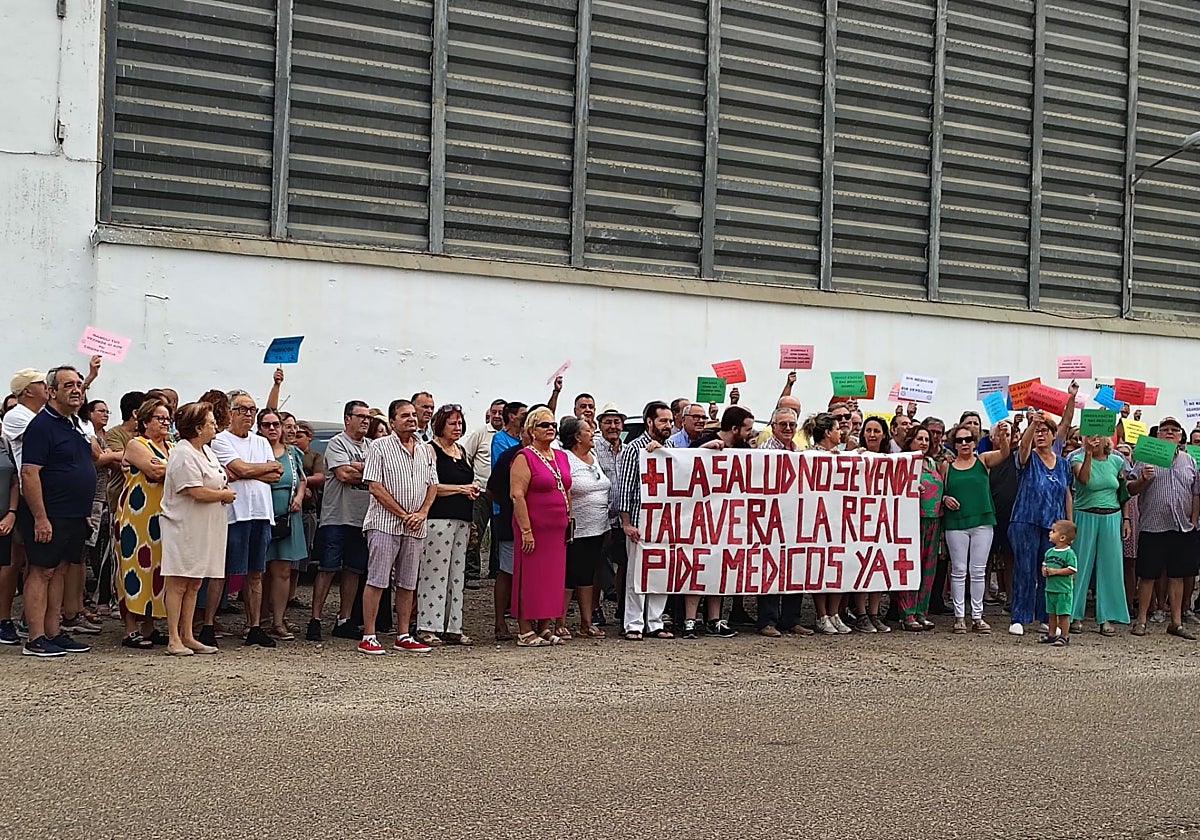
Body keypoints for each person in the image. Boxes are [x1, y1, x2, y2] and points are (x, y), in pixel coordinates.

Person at [18, 365, 95, 657]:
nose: (77, 390)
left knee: (61, 570)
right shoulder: (41, 426)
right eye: (68, 386)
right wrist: (40, 517)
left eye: (79, 384)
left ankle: (53, 631)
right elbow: (29, 473)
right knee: (42, 571)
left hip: (73, 513)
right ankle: (35, 637)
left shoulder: (73, 422)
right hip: (50, 513)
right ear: (51, 392)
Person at [359, 399, 437, 655]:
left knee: (408, 582)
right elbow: (374, 485)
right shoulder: (379, 447)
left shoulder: (426, 450)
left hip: (415, 526)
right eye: (405, 415)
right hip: (384, 524)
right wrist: (404, 514)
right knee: (378, 579)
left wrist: (422, 513)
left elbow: (432, 485)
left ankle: (403, 633)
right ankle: (369, 635)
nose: (412, 419)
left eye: (414, 415)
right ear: (392, 421)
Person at [208, 389, 282, 648]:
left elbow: (276, 474)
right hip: (234, 514)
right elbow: (238, 469)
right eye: (242, 409)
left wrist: (249, 471)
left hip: (261, 512)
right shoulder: (220, 440)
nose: (248, 414)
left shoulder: (261, 442)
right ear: (230, 412)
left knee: (256, 572)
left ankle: (253, 626)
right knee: (222, 571)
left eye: (252, 409)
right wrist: (254, 470)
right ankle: (207, 623)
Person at [160, 402, 231, 655]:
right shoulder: (183, 453)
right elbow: (194, 490)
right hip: (184, 526)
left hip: (205, 526)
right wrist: (224, 495)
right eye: (211, 423)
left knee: (194, 583)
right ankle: (173, 638)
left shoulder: (206, 452)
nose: (215, 427)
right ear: (198, 428)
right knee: (178, 582)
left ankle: (188, 634)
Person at [1128, 416, 1199, 640]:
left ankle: (1176, 623)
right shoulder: (1144, 458)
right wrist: (1143, 479)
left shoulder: (1189, 460)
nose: (1169, 432)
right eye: (1164, 429)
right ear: (1157, 434)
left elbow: (1196, 491)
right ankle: (1141, 621)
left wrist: (1194, 519)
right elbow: (1130, 489)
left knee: (1178, 575)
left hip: (1182, 527)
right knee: (1148, 575)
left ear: (1180, 436)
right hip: (1153, 526)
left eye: (1174, 430)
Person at [1008, 405, 1075, 636]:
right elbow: (1023, 446)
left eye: (1045, 430)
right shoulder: (1027, 457)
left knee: (1049, 570)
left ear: (1053, 435)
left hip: (1053, 526)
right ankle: (1019, 617)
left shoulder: (1064, 463)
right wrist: (1031, 424)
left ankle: (1047, 618)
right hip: (1025, 520)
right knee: (1025, 570)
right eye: (1038, 430)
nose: (1040, 434)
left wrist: (1069, 524)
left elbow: (1067, 494)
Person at [308, 400, 372, 641]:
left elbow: (382, 473)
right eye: (360, 416)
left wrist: (360, 467)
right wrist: (369, 470)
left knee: (353, 570)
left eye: (368, 417)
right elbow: (344, 474)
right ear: (348, 418)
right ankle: (315, 618)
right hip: (337, 516)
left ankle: (344, 619)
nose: (365, 420)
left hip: (362, 517)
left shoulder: (372, 447)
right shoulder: (337, 443)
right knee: (327, 567)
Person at [115, 397, 175, 649]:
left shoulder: (171, 447)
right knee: (134, 569)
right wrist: (176, 468)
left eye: (167, 418)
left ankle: (149, 626)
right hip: (135, 517)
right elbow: (155, 472)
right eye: (159, 418)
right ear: (145, 421)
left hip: (161, 518)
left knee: (157, 570)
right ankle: (130, 629)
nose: (165, 423)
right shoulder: (136, 444)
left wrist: (170, 466)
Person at [416, 404, 478, 646]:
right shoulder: (430, 450)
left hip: (462, 518)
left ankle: (453, 625)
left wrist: (471, 488)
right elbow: (430, 485)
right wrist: (460, 489)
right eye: (452, 422)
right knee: (434, 572)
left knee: (456, 574)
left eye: (460, 422)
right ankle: (427, 625)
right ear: (440, 425)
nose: (457, 427)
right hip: (438, 518)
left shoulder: (461, 451)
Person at [510, 407, 572, 647]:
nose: (550, 429)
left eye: (553, 425)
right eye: (544, 425)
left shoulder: (561, 456)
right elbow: (517, 495)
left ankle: (545, 625)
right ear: (531, 430)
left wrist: (569, 518)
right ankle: (526, 629)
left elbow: (566, 488)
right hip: (534, 527)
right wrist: (526, 530)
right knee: (531, 576)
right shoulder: (524, 457)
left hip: (556, 529)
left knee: (552, 577)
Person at [943, 419, 1011, 634]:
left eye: (969, 439)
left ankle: (977, 616)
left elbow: (1004, 454)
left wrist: (1002, 436)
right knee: (959, 570)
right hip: (956, 522)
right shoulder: (947, 466)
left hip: (982, 521)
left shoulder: (983, 460)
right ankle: (959, 616)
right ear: (954, 444)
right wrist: (944, 498)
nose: (964, 443)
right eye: (960, 440)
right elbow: (939, 490)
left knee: (978, 571)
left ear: (975, 442)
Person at [616, 401, 676, 641]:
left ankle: (655, 621)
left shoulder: (671, 448)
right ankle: (633, 623)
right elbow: (626, 487)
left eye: (670, 421)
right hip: (641, 520)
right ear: (649, 422)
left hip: (666, 522)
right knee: (636, 574)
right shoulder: (634, 449)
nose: (668, 425)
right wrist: (626, 522)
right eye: (663, 421)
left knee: (660, 572)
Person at [756, 406, 812, 638]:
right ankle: (768, 620)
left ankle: (791, 619)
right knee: (770, 568)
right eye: (783, 424)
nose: (788, 428)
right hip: (771, 518)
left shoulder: (798, 449)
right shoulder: (765, 450)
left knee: (795, 567)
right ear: (773, 427)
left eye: (792, 424)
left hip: (794, 518)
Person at [1068, 435, 1131, 636]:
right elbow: (1084, 480)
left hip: (1111, 516)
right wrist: (1087, 453)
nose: (1095, 438)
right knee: (1080, 565)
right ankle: (1073, 615)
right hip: (1085, 515)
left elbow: (1123, 492)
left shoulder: (1117, 460)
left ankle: (1106, 617)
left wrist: (1126, 519)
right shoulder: (1076, 458)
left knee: (1110, 567)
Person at [560, 416, 610, 638]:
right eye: (589, 430)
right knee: (570, 575)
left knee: (587, 575)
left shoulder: (594, 456)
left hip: (598, 527)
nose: (593, 433)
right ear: (577, 437)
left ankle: (586, 622)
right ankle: (559, 623)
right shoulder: (566, 459)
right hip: (575, 528)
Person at [259, 409, 306, 640]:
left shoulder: (292, 452)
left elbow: (302, 480)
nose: (272, 429)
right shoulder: (256, 451)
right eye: (267, 425)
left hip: (288, 515)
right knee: (259, 570)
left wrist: (298, 497)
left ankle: (278, 620)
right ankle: (257, 620)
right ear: (259, 428)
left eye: (276, 424)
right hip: (262, 514)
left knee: (283, 569)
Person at [802, 412, 850, 634]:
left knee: (838, 564)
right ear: (827, 432)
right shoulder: (809, 456)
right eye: (838, 428)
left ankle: (834, 613)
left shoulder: (843, 455)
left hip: (840, 518)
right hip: (817, 518)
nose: (841, 432)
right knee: (820, 566)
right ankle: (821, 614)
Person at [897, 423, 944, 632]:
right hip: (912, 521)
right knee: (911, 567)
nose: (924, 443)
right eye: (919, 439)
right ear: (910, 441)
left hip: (934, 520)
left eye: (926, 439)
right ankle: (907, 613)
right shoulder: (902, 462)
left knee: (928, 568)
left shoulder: (932, 463)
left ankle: (921, 612)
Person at [486, 424, 530, 641]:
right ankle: (500, 621)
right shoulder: (509, 457)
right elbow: (491, 489)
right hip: (510, 521)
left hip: (540, 523)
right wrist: (508, 505)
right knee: (507, 571)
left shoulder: (549, 456)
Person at [461, 399, 504, 585]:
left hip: (503, 494)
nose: (496, 415)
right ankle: (472, 573)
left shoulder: (510, 436)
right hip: (482, 491)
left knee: (500, 533)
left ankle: (497, 571)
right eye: (493, 412)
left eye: (500, 412)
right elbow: (467, 456)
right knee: (476, 531)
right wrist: (472, 482)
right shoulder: (481, 433)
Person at [594, 403, 626, 626]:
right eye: (608, 422)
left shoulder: (628, 450)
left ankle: (622, 608)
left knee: (623, 563)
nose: (613, 426)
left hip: (622, 517)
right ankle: (595, 608)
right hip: (600, 516)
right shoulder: (593, 448)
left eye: (616, 422)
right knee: (597, 563)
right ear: (600, 424)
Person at [1041, 520, 1078, 647]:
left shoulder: (1069, 553)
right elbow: (1044, 564)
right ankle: (1051, 634)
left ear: (1062, 537)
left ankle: (1064, 636)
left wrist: (1055, 571)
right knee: (1051, 614)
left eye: (1053, 531)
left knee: (1063, 615)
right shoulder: (1049, 552)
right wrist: (1045, 571)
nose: (1050, 533)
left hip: (1063, 590)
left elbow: (1072, 569)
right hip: (1050, 589)